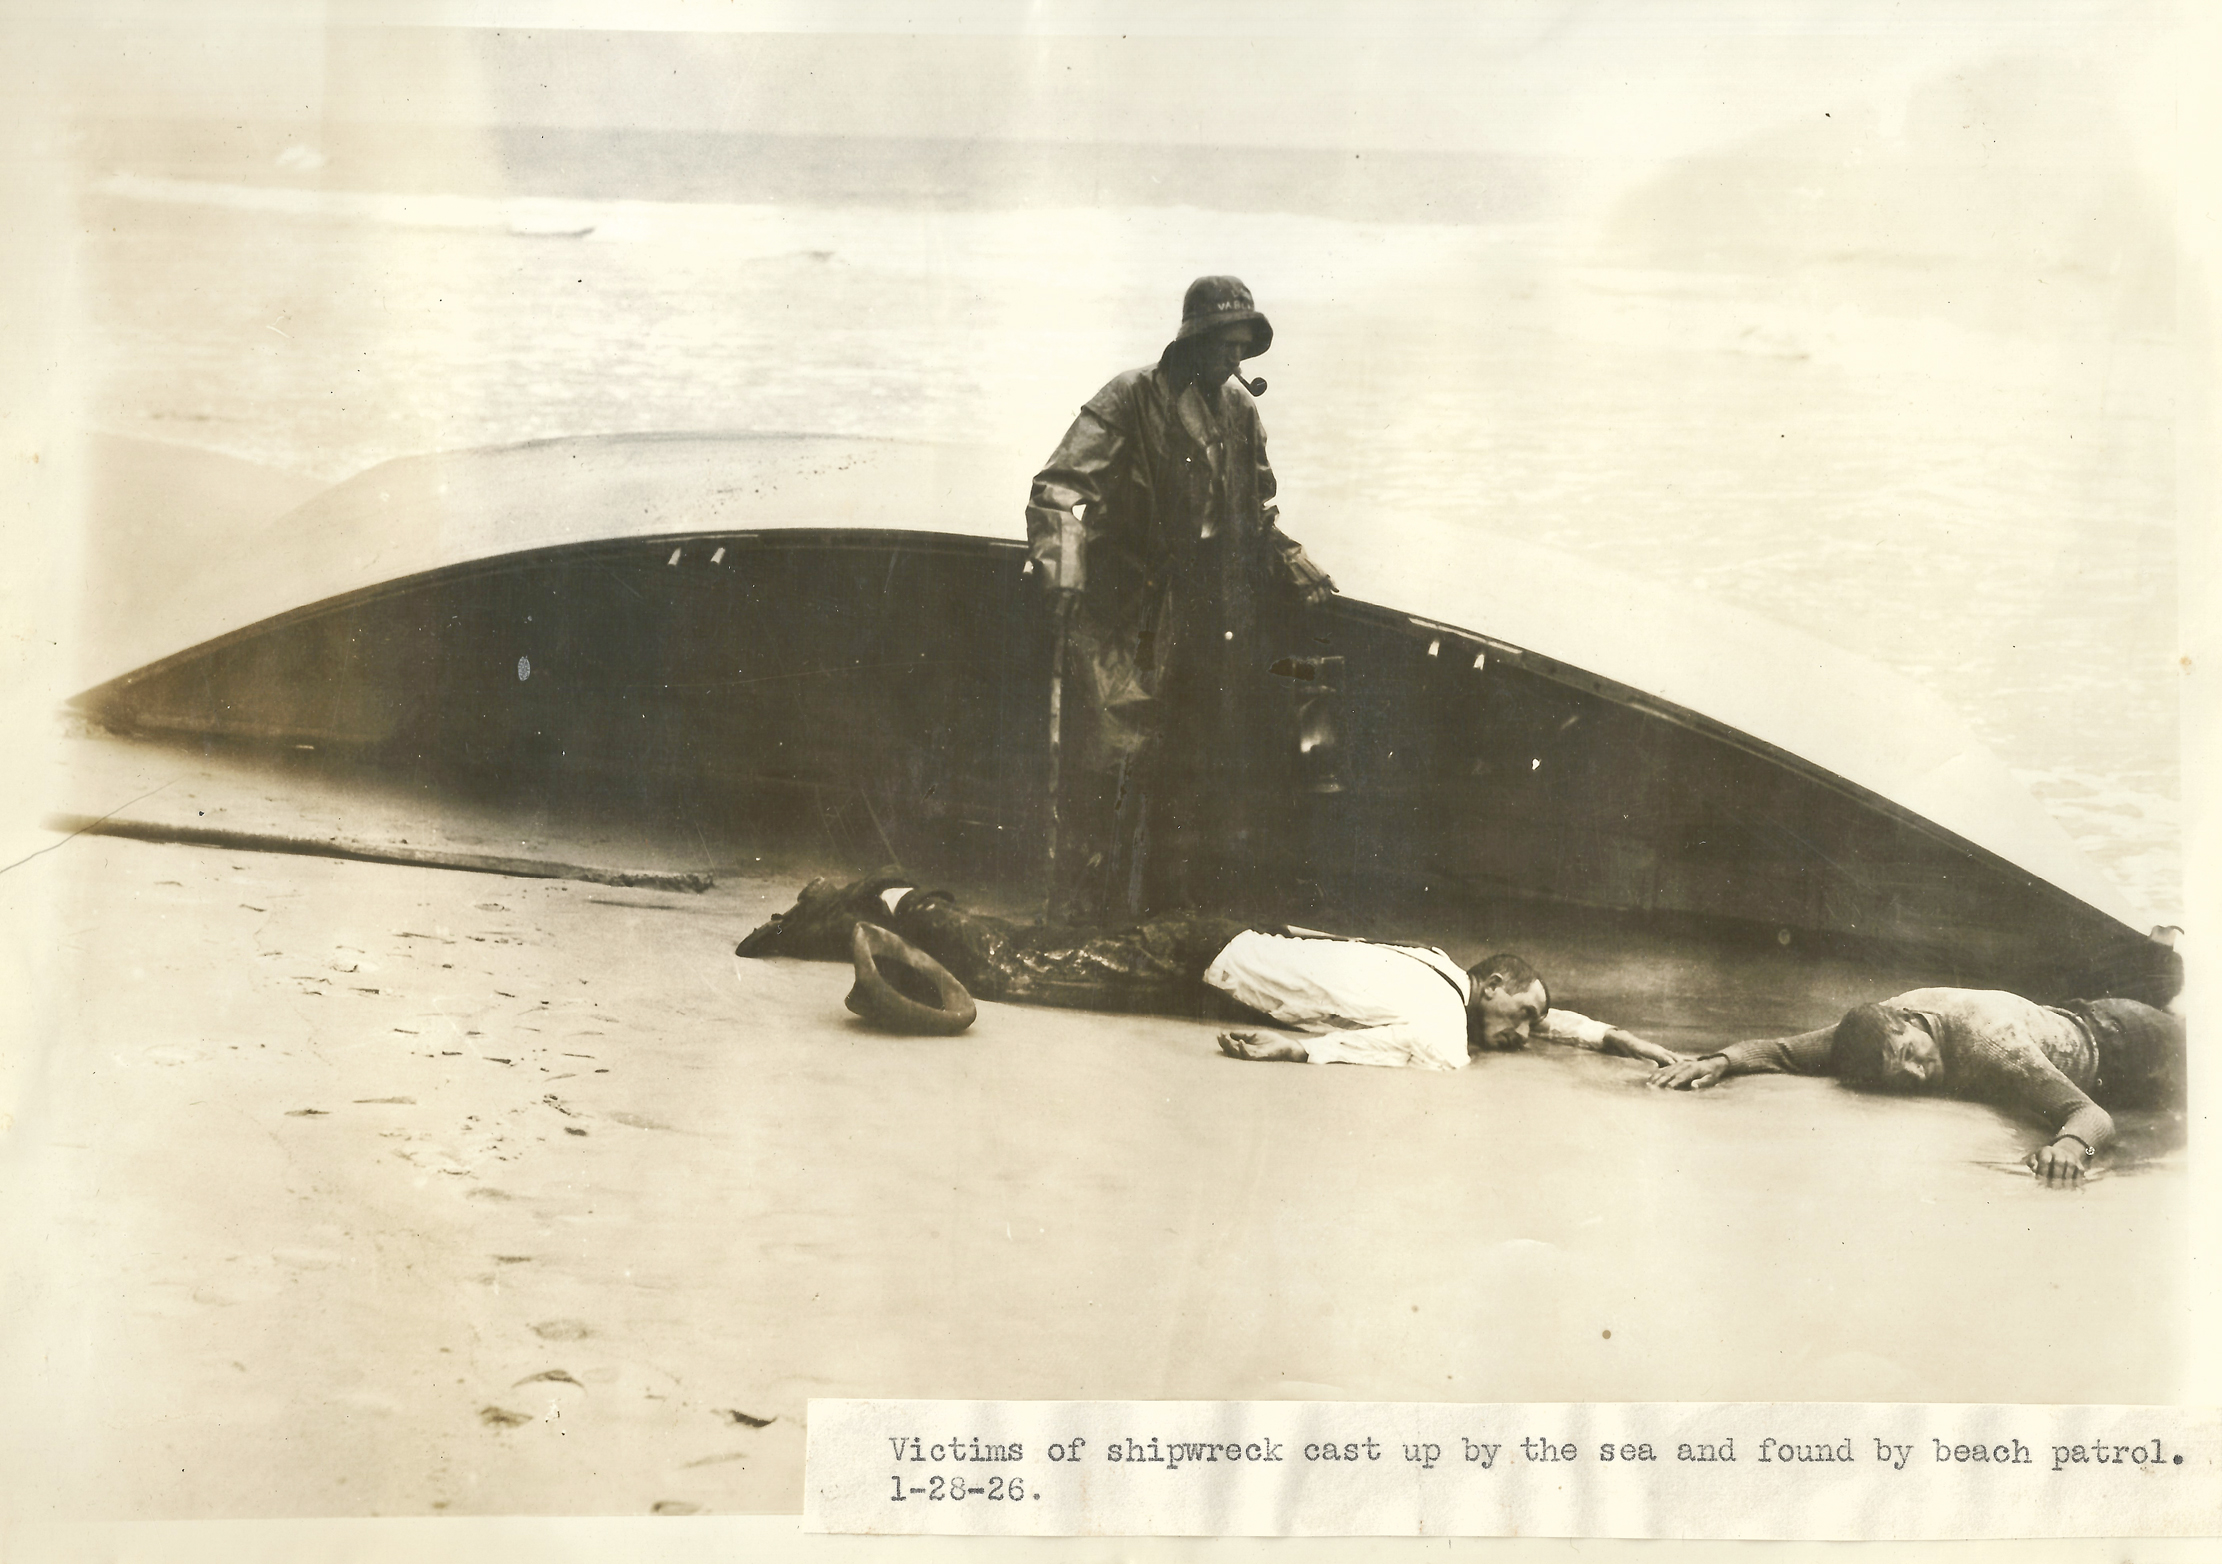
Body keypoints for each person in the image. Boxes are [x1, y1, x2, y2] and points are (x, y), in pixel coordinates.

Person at [1026, 275, 1339, 923]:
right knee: (1110, 761)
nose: (1236, 357)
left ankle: (1168, 914)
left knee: (1191, 767)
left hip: (1210, 617)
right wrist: (1063, 567)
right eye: (1226, 343)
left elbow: (1257, 509)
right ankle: (1083, 912)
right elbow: (1056, 491)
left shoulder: (1241, 411)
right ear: (1194, 339)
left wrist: (1290, 557)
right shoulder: (1129, 396)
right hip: (1128, 615)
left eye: (1244, 346)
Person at [735, 872, 1681, 1073]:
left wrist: (1615, 1037)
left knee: (1036, 945)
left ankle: (844, 916)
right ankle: (889, 893)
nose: (1528, 1033)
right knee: (1014, 969)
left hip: (1215, 939)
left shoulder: (1438, 968)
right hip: (1192, 960)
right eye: (1526, 1015)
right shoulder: (1444, 1029)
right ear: (1495, 987)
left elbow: (1531, 1020)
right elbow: (1399, 1055)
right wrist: (1287, 1053)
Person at [1647, 987, 2187, 1186]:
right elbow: (1784, 1051)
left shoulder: (1990, 1044)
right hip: (2076, 1017)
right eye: (1897, 1077)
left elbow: (2093, 1117)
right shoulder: (1879, 1027)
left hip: (2126, 1045)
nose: (1915, 1074)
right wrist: (1718, 1061)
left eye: (1910, 1055)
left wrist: (2071, 1148)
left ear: (1912, 1022)